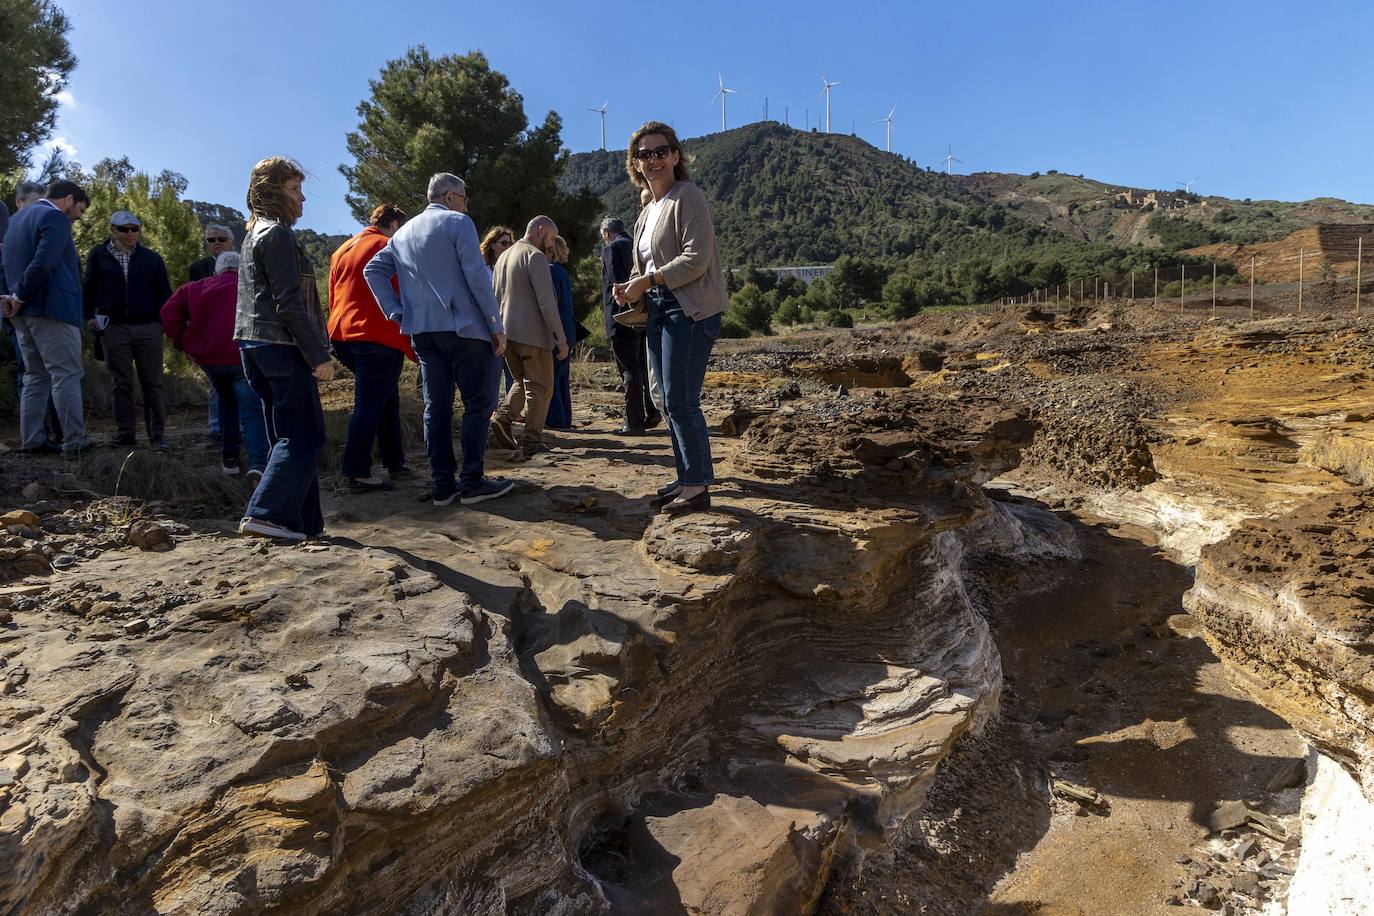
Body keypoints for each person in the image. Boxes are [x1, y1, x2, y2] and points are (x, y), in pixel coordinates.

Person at [363, 172, 513, 507]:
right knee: (478, 403)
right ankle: (472, 481)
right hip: (465, 329)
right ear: (449, 197)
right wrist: (495, 324)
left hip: (423, 331)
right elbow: (476, 276)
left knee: (437, 408)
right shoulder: (458, 223)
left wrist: (396, 311)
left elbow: (372, 270)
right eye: (463, 198)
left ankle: (442, 485)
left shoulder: (402, 234)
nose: (466, 204)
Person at [613, 121, 728, 516]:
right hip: (660, 309)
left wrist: (648, 279)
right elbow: (641, 265)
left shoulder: (688, 196)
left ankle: (697, 488)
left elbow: (696, 259)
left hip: (690, 310)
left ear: (676, 156)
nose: (653, 159)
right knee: (665, 399)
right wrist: (630, 285)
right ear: (635, 163)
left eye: (661, 151)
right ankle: (685, 476)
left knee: (681, 399)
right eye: (644, 154)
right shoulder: (646, 212)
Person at [234, 156, 334, 542]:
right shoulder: (277, 234)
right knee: (305, 436)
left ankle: (304, 524)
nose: (302, 198)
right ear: (271, 192)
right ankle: (266, 514)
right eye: (294, 189)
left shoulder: (252, 235)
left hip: (254, 346)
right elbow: (288, 302)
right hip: (281, 346)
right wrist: (318, 356)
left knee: (288, 436)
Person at [0, 180, 94, 456]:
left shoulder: (16, 220)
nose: (79, 216)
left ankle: (32, 439)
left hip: (21, 313)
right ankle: (75, 441)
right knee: (66, 373)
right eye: (80, 209)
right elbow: (44, 261)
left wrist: (8, 297)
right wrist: (18, 296)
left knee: (35, 376)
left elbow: (6, 263)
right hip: (51, 308)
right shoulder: (54, 217)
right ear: (68, 199)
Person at [327, 203, 414, 492]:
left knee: (386, 397)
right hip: (375, 334)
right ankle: (357, 470)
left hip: (341, 334)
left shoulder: (342, 249)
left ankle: (394, 461)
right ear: (394, 224)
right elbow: (402, 291)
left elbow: (332, 293)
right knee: (369, 403)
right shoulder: (388, 245)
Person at [160, 251, 269, 477]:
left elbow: (168, 312)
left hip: (210, 360)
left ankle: (230, 459)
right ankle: (258, 463)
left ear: (216, 269)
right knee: (250, 409)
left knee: (226, 404)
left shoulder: (193, 288)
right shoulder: (249, 284)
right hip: (241, 355)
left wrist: (182, 343)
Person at [84, 210, 173, 449]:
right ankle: (126, 435)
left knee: (152, 383)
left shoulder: (152, 258)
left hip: (149, 327)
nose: (131, 233)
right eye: (125, 229)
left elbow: (165, 295)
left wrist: (165, 324)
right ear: (113, 230)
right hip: (113, 327)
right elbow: (89, 288)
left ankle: (158, 437)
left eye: (135, 228)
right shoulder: (98, 255)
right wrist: (88, 317)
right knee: (121, 383)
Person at [491, 216, 569, 456]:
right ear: (541, 230)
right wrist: (561, 339)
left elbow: (494, 295)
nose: (552, 243)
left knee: (521, 382)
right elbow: (547, 303)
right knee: (541, 387)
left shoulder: (504, 255)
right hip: (532, 334)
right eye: (552, 237)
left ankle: (503, 419)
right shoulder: (534, 257)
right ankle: (532, 441)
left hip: (507, 333)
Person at [601, 216, 660, 435]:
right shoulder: (635, 244)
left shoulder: (611, 249)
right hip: (642, 313)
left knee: (628, 368)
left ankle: (634, 421)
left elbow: (616, 283)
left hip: (620, 316)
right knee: (644, 366)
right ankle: (653, 411)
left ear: (606, 232)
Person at [479, 225, 516, 412]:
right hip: (488, 330)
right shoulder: (482, 269)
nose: (508, 246)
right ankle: (491, 415)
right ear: (492, 245)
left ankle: (508, 416)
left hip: (509, 328)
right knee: (491, 377)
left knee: (513, 375)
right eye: (504, 243)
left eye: (511, 243)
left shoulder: (510, 268)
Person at [543, 234, 577, 430]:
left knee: (551, 378)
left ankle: (555, 419)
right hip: (568, 330)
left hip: (557, 333)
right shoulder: (562, 272)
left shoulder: (549, 272)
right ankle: (564, 418)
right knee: (562, 378)